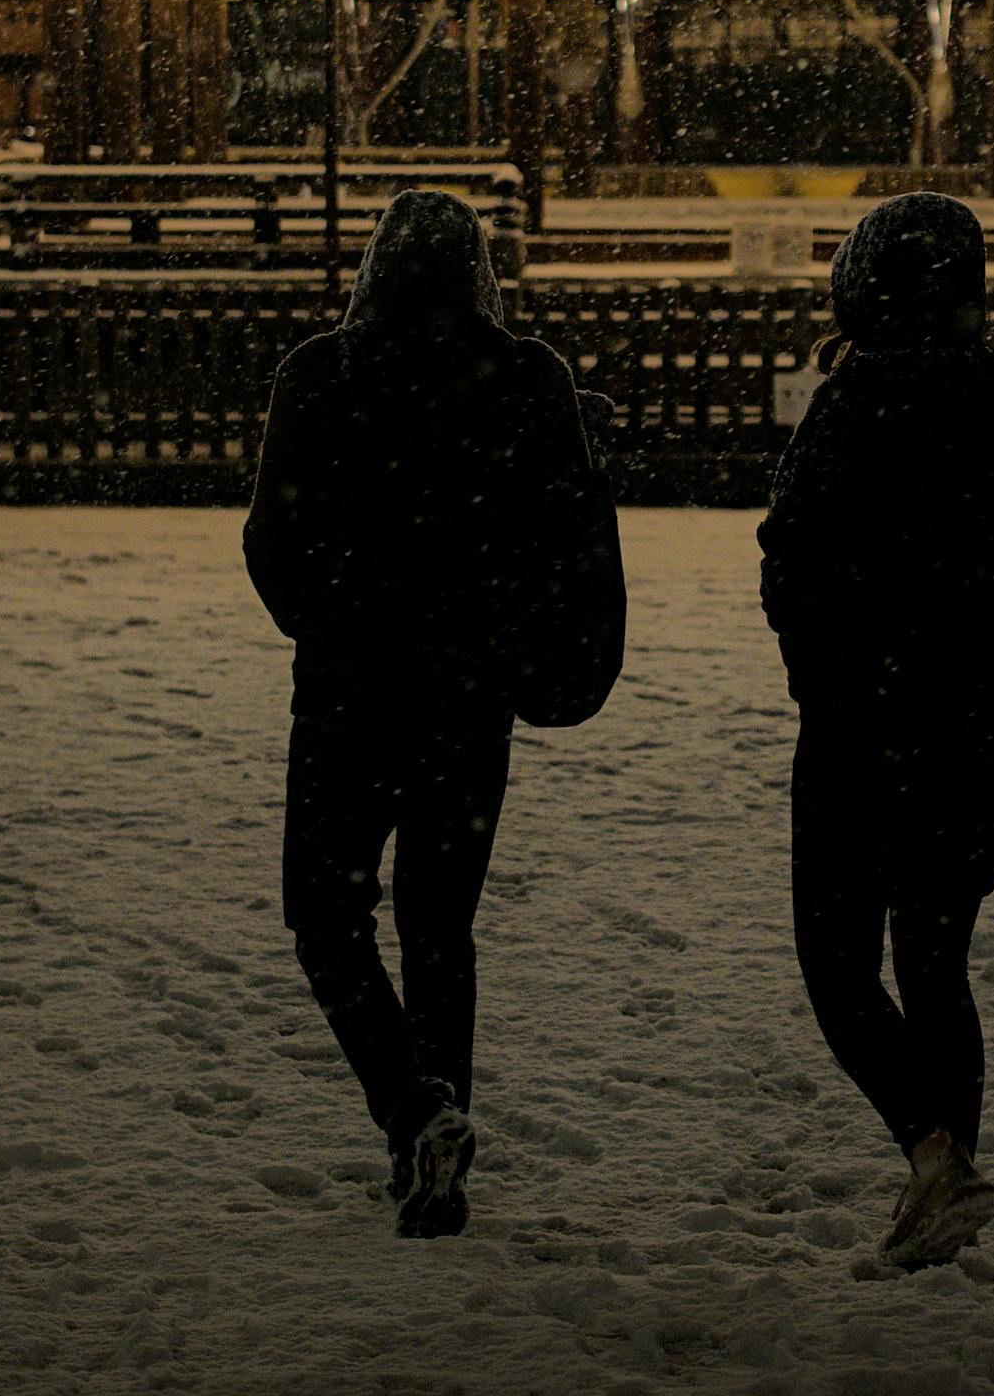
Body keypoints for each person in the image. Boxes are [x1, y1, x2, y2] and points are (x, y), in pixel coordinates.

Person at [243, 188, 609, 1239]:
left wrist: (322, 615)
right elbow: (560, 542)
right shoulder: (529, 380)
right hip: (469, 697)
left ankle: (413, 1114)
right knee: (440, 926)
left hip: (350, 693)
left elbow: (274, 538)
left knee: (327, 919)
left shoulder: (318, 374)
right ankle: (434, 1144)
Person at [758, 193, 994, 1270]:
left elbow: (790, 553)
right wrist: (958, 589)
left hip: (859, 714)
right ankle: (947, 1178)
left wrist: (831, 660)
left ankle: (933, 1153)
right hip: (978, 701)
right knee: (937, 957)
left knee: (837, 963)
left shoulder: (851, 400)